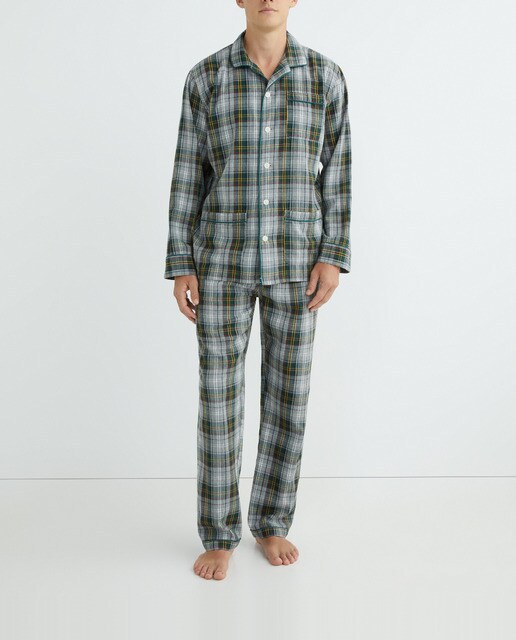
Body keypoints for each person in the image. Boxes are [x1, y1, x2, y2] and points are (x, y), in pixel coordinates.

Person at [164, 0, 351, 581]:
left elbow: (338, 170)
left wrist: (333, 255)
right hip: (221, 258)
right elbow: (188, 171)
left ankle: (271, 521)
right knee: (218, 399)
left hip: (298, 260)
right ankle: (219, 532)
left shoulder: (325, 77)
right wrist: (181, 262)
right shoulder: (206, 77)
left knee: (288, 395)